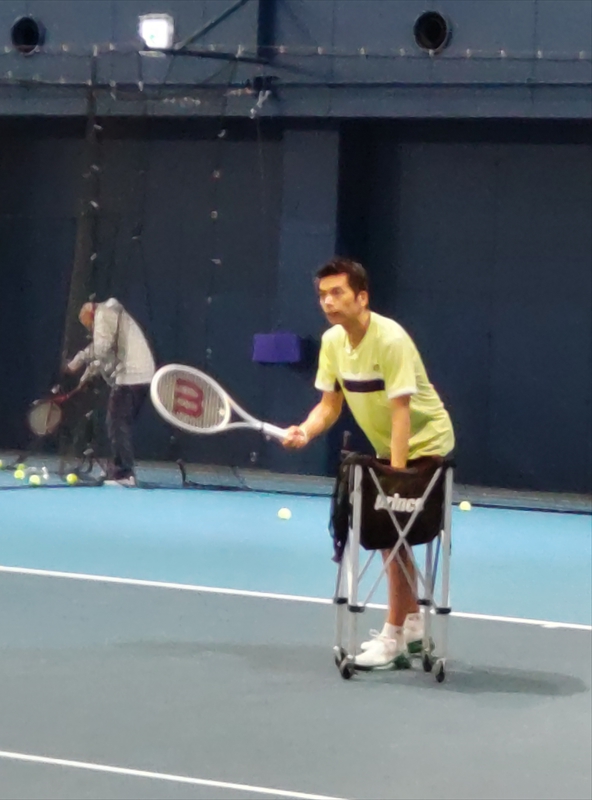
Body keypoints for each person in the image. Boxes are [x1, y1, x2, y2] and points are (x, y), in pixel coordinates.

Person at [283, 258, 454, 669]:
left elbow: (401, 413)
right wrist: (305, 430)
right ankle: (411, 623)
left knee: (388, 530)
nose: (328, 302)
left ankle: (394, 635)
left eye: (337, 293)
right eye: (322, 295)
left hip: (428, 444)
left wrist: (395, 475)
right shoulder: (331, 343)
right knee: (387, 533)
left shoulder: (391, 340)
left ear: (362, 297)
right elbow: (329, 406)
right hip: (390, 449)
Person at [66, 298, 155, 487]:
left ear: (91, 315)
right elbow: (105, 354)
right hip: (140, 375)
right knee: (118, 422)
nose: (91, 331)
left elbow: (101, 349)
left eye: (90, 327)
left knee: (116, 421)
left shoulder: (103, 314)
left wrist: (80, 362)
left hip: (132, 375)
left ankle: (125, 473)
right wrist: (86, 372)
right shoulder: (111, 313)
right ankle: (119, 467)